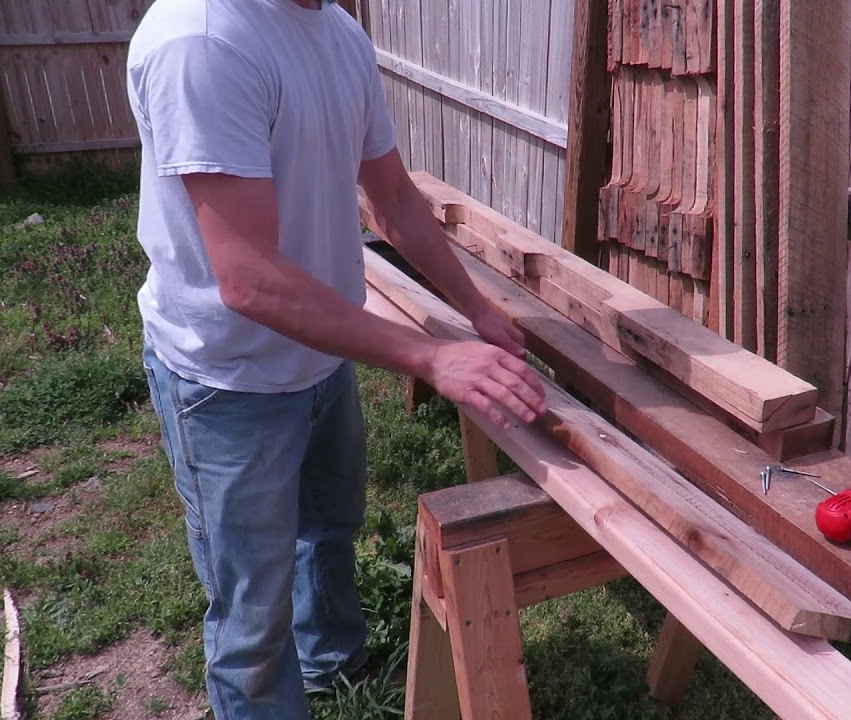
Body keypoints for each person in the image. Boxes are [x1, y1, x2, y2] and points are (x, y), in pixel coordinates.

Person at [125, 0, 548, 717]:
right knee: (252, 621)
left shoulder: (337, 31)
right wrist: (432, 358)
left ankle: (333, 665)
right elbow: (249, 278)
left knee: (326, 529)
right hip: (228, 380)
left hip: (322, 354)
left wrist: (473, 309)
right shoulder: (201, 40)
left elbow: (391, 198)